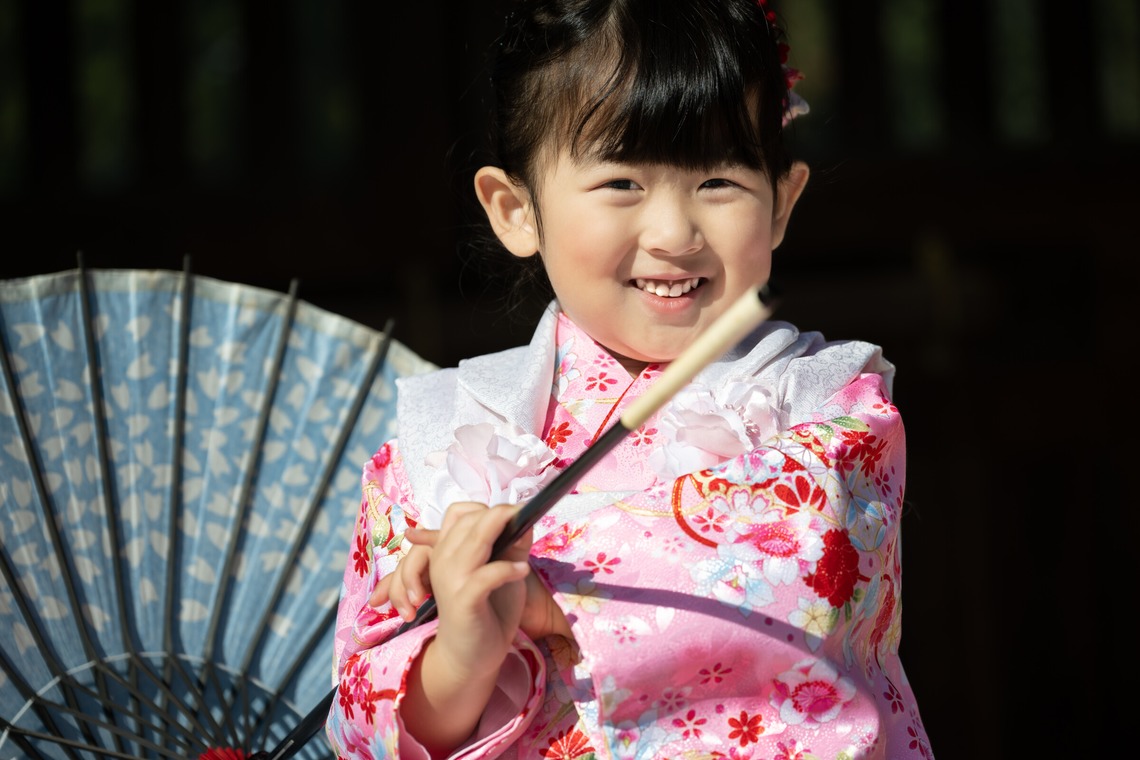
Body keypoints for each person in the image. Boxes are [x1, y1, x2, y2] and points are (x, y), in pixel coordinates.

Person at [326, 0, 932, 757]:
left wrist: (549, 595)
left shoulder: (828, 405)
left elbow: (812, 570)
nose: (675, 233)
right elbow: (363, 718)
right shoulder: (444, 439)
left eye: (718, 181)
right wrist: (462, 655)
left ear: (782, 202)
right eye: (622, 183)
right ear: (514, 209)